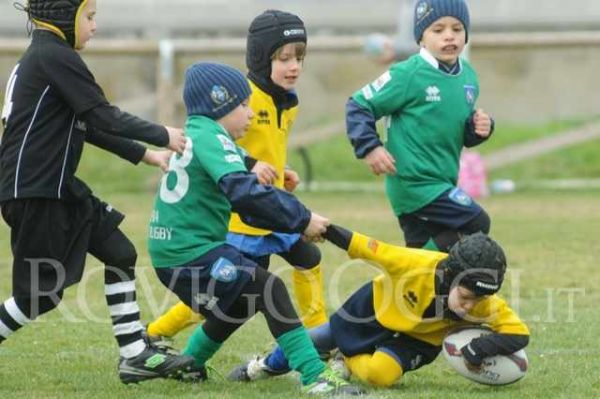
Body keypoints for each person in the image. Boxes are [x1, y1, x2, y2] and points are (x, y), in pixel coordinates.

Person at [0, 0, 196, 384]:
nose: (95, 27)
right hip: (36, 191)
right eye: (89, 17)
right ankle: (135, 354)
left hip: (56, 186)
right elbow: (102, 115)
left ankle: (135, 356)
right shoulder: (54, 56)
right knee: (38, 297)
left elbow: (88, 124)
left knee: (119, 251)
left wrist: (147, 155)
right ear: (64, 17)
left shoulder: (45, 56)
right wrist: (163, 133)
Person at [147, 61, 363, 396]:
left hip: (177, 252)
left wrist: (294, 218)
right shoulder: (210, 136)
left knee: (244, 299)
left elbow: (250, 199)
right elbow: (245, 194)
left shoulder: (203, 134)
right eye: (243, 105)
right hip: (187, 254)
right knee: (268, 288)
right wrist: (302, 219)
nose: (250, 113)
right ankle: (315, 376)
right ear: (219, 105)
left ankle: (190, 362)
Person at [146, 9, 328, 343]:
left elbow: (268, 148)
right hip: (244, 217)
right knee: (227, 299)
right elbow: (216, 149)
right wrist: (250, 165)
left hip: (272, 205)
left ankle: (319, 337)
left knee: (308, 258)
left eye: (300, 58)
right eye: (284, 58)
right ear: (260, 59)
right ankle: (156, 332)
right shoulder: (237, 99)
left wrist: (281, 171)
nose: (294, 67)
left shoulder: (288, 102)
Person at [228, 226, 529, 388]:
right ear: (448, 276)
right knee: (308, 343)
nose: (469, 307)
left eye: (477, 300)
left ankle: (345, 360)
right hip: (371, 311)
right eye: (465, 297)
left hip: (418, 340)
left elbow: (519, 333)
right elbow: (369, 246)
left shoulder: (483, 300)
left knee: (379, 376)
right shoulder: (415, 265)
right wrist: (324, 228)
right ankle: (262, 367)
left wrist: (482, 348)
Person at [346, 0, 494, 253]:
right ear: (421, 38)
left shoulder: (468, 76)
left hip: (444, 181)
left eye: (457, 29)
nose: (449, 36)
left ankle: (407, 279)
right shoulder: (407, 74)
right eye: (438, 30)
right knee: (476, 222)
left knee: (429, 270)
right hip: (413, 184)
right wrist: (370, 147)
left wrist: (480, 128)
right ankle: (407, 269)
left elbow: (460, 131)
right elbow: (358, 105)